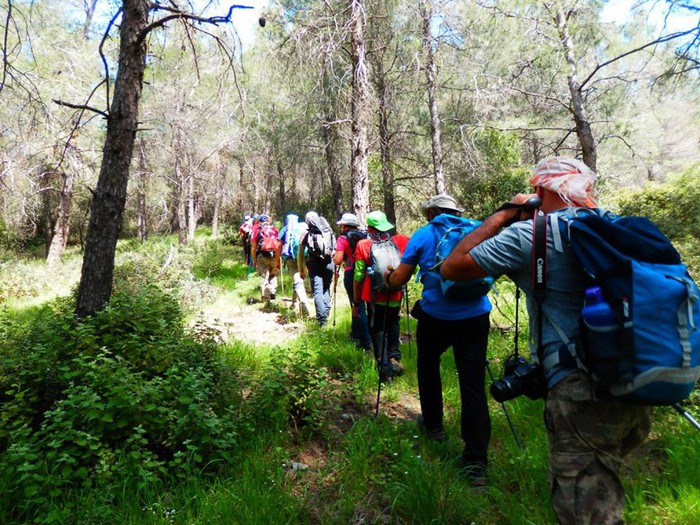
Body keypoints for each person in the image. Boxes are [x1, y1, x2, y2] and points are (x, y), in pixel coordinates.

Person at [441, 157, 652, 524]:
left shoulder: (530, 235)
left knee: (585, 512)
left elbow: (453, 266)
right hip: (637, 377)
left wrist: (504, 214)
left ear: (538, 192)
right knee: (605, 491)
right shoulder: (615, 228)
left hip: (580, 389)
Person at [385, 194, 492, 486]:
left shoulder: (424, 234)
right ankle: (476, 461)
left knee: (428, 366)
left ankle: (434, 426)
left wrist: (390, 277)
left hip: (436, 316)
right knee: (472, 384)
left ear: (432, 212)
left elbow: (400, 279)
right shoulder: (477, 230)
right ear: (455, 212)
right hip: (476, 316)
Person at [353, 210, 409, 381]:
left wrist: (356, 303)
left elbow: (358, 275)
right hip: (395, 293)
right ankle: (394, 358)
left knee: (377, 330)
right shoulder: (401, 240)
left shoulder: (363, 245)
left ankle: (384, 369)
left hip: (374, 297)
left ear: (369, 228)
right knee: (393, 323)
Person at [333, 213, 372, 351]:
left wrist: (335, 255)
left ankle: (366, 342)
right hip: (367, 272)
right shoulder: (365, 236)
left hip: (351, 272)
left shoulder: (342, 239)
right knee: (367, 305)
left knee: (357, 306)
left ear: (344, 225)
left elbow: (337, 260)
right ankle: (357, 335)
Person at [298, 211, 335, 327]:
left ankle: (322, 320)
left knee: (317, 291)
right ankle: (326, 312)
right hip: (329, 263)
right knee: (326, 288)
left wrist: (301, 269)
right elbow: (335, 248)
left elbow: (300, 253)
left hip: (314, 263)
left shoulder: (306, 232)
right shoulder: (328, 230)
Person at [278, 213, 310, 316]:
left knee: (297, 280)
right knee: (299, 279)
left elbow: (279, 244)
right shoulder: (303, 227)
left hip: (290, 258)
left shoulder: (285, 229)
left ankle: (303, 303)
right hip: (303, 257)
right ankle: (293, 303)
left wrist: (278, 259)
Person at [251, 213, 280, 302]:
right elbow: (279, 245)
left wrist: (254, 260)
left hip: (262, 255)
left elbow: (253, 247)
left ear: (259, 222)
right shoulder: (275, 230)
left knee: (264, 276)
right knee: (273, 274)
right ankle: (272, 291)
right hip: (274, 256)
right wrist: (277, 258)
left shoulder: (258, 231)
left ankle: (265, 296)